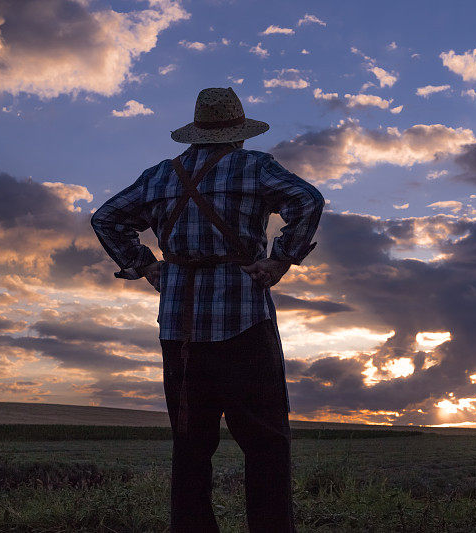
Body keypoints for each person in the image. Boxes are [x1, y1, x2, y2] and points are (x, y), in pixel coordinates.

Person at [90, 87, 324, 532]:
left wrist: (145, 266)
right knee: (266, 445)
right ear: (238, 134)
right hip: (245, 322)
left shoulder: (160, 176)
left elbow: (106, 218)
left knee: (190, 446)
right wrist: (280, 259)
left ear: (196, 133)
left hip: (178, 329)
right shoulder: (254, 165)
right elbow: (307, 200)